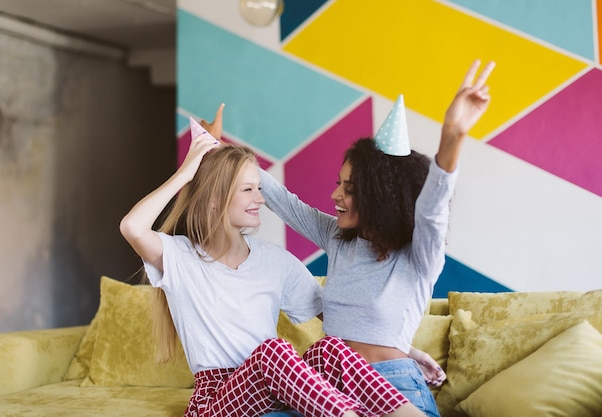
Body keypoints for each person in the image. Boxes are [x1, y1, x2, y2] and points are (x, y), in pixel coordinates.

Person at [204, 59, 495, 417]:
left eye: (350, 188)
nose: (336, 196)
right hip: (330, 391)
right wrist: (216, 148)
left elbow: (432, 211)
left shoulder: (418, 254)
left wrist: (452, 137)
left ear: (380, 194)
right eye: (338, 184)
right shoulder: (338, 238)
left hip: (392, 390)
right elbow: (284, 201)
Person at [119, 127, 428, 417]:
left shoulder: (275, 261)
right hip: (217, 399)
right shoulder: (179, 257)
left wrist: (405, 350)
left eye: (259, 188)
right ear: (215, 200)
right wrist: (186, 173)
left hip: (273, 388)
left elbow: (337, 319)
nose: (261, 198)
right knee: (274, 351)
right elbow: (132, 227)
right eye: (249, 190)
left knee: (330, 346)